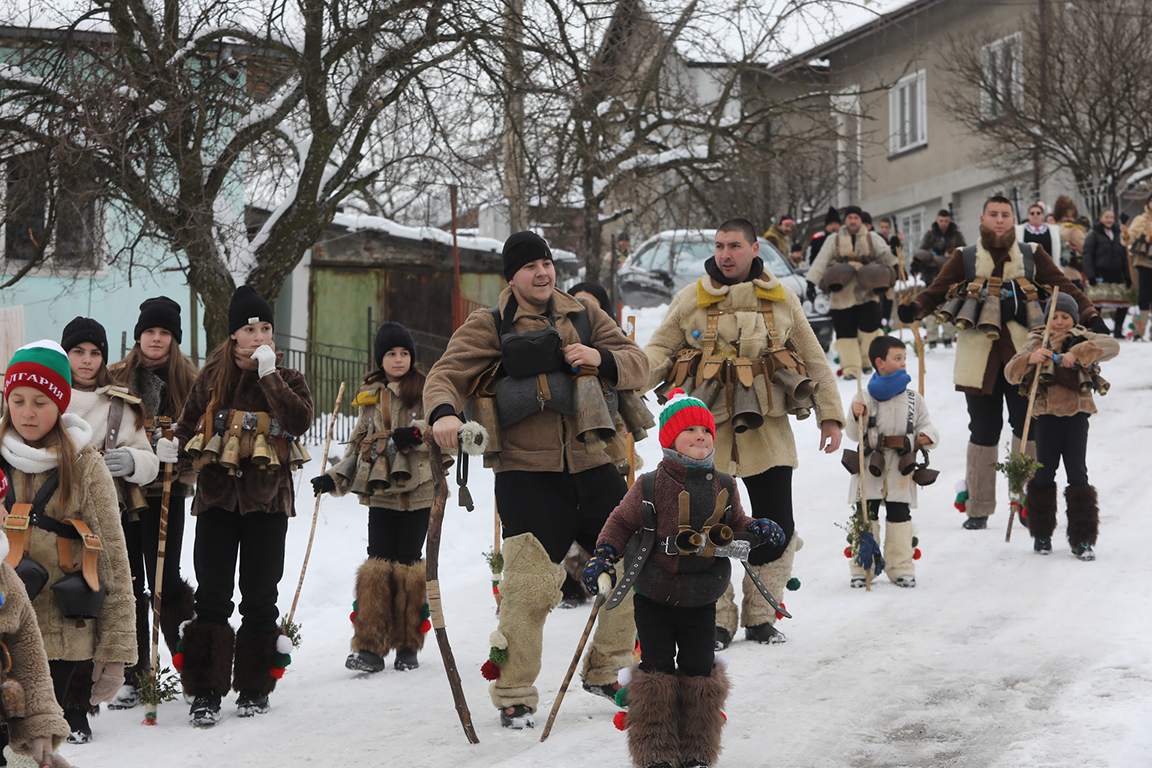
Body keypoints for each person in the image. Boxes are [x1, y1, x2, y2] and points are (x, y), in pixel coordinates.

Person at [424, 231, 649, 729]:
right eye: (530, 266)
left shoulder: (584, 316)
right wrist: (443, 414)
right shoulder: (489, 325)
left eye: (546, 263)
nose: (542, 272)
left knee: (629, 566)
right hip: (527, 475)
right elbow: (445, 375)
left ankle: (608, 668)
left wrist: (600, 358)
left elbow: (640, 362)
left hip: (596, 467)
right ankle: (514, 692)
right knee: (528, 589)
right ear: (512, 276)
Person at [644, 218, 845, 648]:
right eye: (719, 246)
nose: (725, 254)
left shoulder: (782, 299)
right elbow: (658, 352)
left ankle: (762, 614)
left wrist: (831, 415)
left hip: (767, 430)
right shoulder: (690, 299)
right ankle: (716, 618)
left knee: (776, 525)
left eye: (734, 246)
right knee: (702, 527)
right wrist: (623, 386)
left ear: (755, 250)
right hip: (704, 434)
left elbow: (813, 359)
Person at [581, 390, 784, 768]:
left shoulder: (724, 483)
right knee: (656, 669)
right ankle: (655, 751)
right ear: (669, 440)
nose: (701, 436)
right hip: (654, 592)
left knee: (699, 669)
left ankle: (697, 751)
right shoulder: (648, 485)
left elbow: (737, 524)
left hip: (702, 595)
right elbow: (621, 522)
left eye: (705, 429)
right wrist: (605, 555)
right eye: (689, 429)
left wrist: (758, 527)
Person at [898, 196, 1104, 530]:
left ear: (1014, 219)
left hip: (1025, 360)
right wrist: (916, 307)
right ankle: (978, 507)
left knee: (1027, 429)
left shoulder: (1031, 254)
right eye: (993, 214)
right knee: (982, 432)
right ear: (983, 218)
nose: (999, 220)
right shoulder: (964, 257)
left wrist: (1090, 313)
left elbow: (1063, 286)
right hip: (978, 362)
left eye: (1005, 215)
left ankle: (1026, 503)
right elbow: (936, 292)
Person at [173, 286, 314, 727]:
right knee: (212, 596)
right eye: (249, 329)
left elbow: (300, 422)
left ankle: (254, 686)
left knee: (260, 596)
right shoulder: (212, 378)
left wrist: (269, 376)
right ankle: (205, 690)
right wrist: (168, 454)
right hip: (216, 501)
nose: (258, 336)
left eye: (265, 327)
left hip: (268, 504)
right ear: (234, 335)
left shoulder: (289, 378)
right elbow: (185, 428)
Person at [0, 341, 137, 753]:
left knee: (33, 741)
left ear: (59, 405)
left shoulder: (85, 464)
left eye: (40, 402)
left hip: (61, 634)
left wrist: (115, 651)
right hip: (4, 625)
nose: (27, 412)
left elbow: (113, 557)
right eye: (17, 400)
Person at [57, 317, 160, 742]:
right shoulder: (46, 397)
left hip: (102, 523)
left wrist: (133, 463)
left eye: (94, 352)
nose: (86, 360)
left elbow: (149, 459)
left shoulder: (120, 404)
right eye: (77, 352)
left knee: (88, 609)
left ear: (104, 358)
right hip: (51, 520)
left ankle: (78, 707)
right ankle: (46, 703)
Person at [311, 322, 433, 674]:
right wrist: (333, 478)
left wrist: (416, 432)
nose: (398, 359)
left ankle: (408, 645)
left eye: (404, 353)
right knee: (377, 564)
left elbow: (446, 425)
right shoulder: (370, 396)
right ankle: (370, 648)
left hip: (418, 491)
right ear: (380, 359)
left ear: (412, 356)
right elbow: (356, 448)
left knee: (409, 565)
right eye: (391, 354)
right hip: (380, 491)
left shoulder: (427, 390)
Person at [106, 297, 199, 710]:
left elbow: (202, 438)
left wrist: (179, 461)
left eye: (164, 333)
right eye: (150, 332)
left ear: (173, 339)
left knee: (164, 580)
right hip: (125, 494)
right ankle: (134, 669)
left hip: (167, 495)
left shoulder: (191, 382)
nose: (156, 339)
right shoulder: (116, 378)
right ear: (139, 336)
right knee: (129, 581)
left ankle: (186, 662)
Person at [1005, 293, 1118, 559]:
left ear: (1074, 318)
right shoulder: (1036, 339)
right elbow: (1010, 372)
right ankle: (1041, 534)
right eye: (1054, 317)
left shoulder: (1084, 336)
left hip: (1077, 415)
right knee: (1044, 474)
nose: (1059, 322)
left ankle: (1083, 539)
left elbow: (1113, 346)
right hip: (1045, 416)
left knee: (1078, 474)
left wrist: (1076, 352)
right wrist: (1031, 358)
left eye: (1065, 317)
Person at [844, 336, 939, 588]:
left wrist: (927, 436)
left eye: (904, 358)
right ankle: (864, 566)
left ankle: (900, 567)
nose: (903, 363)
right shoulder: (864, 396)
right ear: (880, 362)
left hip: (900, 466)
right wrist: (855, 416)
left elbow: (926, 424)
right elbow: (854, 435)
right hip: (870, 465)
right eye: (897, 359)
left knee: (900, 515)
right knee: (867, 514)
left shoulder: (912, 397)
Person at [0, 466, 74, 768]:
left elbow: (28, 654)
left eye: (3, 504)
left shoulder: (5, 578)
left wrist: (39, 728)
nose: (5, 516)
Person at [806, 205, 899, 380]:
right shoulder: (834, 239)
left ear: (860, 220)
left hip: (867, 290)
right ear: (846, 220)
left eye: (856, 218)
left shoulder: (872, 237)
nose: (853, 221)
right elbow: (821, 260)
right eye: (850, 218)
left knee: (869, 328)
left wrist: (893, 249)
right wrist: (811, 282)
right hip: (841, 292)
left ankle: (867, 362)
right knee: (845, 331)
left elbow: (886, 257)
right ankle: (850, 368)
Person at [914, 209, 967, 349]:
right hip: (932, 276)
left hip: (951, 277)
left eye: (946, 221)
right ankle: (931, 337)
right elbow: (921, 251)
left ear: (950, 221)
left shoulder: (956, 235)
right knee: (931, 306)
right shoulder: (930, 235)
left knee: (950, 305)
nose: (944, 224)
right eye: (941, 221)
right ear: (937, 220)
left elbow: (964, 251)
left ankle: (949, 337)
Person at [1081, 209, 1132, 339]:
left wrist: (1128, 276)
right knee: (1097, 304)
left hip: (1116, 273)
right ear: (1101, 218)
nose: (1109, 220)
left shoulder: (1118, 234)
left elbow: (1125, 257)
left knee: (1122, 302)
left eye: (1111, 217)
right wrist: (1090, 275)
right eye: (1106, 217)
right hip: (1099, 273)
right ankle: (1098, 329)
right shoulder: (1093, 235)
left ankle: (1118, 329)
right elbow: (1087, 256)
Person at [1124, 193, 1152, 340]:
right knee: (1145, 297)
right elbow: (1131, 235)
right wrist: (1126, 235)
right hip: (1145, 262)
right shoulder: (1142, 219)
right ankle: (1137, 331)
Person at [875, 218, 905, 328]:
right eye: (882, 227)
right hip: (878, 278)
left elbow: (899, 257)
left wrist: (900, 244)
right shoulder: (876, 240)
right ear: (879, 227)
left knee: (889, 303)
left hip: (890, 278)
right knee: (879, 305)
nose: (884, 229)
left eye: (886, 227)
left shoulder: (891, 240)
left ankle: (886, 327)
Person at [1054, 195, 1087, 288]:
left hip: (1056, 273)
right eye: (1067, 216)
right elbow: (1085, 248)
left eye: (1072, 216)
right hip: (1071, 273)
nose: (1070, 219)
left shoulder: (1053, 229)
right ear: (1060, 216)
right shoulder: (1074, 230)